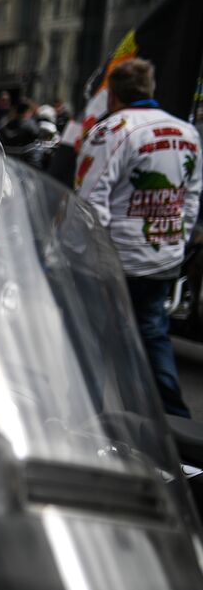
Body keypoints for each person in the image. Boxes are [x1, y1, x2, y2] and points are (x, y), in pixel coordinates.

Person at [76, 58, 202, 418]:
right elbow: (191, 196)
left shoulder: (111, 130)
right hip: (162, 258)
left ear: (113, 94)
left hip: (117, 262)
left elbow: (90, 199)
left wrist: (92, 253)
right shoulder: (186, 132)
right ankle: (175, 425)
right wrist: (178, 242)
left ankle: (86, 423)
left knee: (92, 343)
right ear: (150, 89)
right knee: (153, 336)